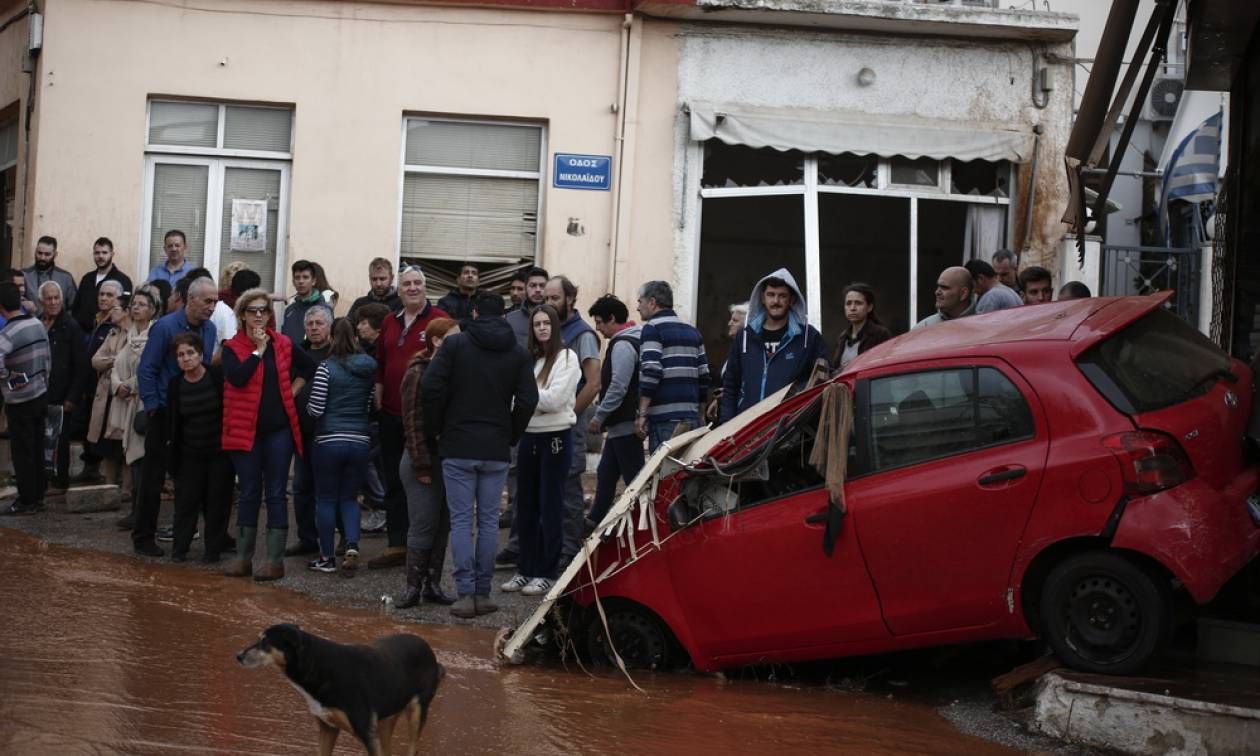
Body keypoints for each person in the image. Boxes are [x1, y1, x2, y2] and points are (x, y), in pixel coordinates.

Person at [422, 292, 537, 618]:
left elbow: (430, 387)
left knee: (461, 522)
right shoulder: (517, 352)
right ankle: (483, 593)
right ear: (503, 315)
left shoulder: (456, 346)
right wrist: (511, 433)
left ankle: (464, 594)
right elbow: (528, 400)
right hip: (496, 448)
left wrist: (437, 427)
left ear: (473, 313)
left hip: (457, 445)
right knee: (488, 522)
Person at [220, 287, 312, 580]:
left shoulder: (283, 343)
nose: (259, 315)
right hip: (245, 431)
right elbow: (237, 376)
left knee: (275, 492)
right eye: (253, 311)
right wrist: (258, 351)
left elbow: (310, 366)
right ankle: (244, 559)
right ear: (243, 315)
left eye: (264, 310)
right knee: (248, 492)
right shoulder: (232, 347)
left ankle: (274, 561)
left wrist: (293, 390)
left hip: (277, 431)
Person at [135, 275, 218, 557]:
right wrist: (153, 406)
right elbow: (147, 368)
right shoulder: (165, 327)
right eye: (208, 301)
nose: (212, 307)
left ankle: (207, 537)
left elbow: (204, 367)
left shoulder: (210, 329)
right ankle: (143, 536)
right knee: (153, 477)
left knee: (196, 477)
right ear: (191, 299)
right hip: (164, 411)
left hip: (194, 414)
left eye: (215, 302)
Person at [371, 266, 449, 569]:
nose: (412, 288)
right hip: (390, 413)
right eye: (407, 284)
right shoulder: (390, 321)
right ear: (399, 290)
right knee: (392, 479)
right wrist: (378, 392)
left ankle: (424, 547)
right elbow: (381, 361)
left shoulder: (439, 320)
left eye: (417, 283)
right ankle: (397, 544)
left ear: (425, 287)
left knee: (424, 481)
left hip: (424, 419)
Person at [501, 304, 579, 597]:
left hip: (555, 438)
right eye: (537, 324)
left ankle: (547, 572)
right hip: (529, 437)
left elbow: (556, 400)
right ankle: (526, 569)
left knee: (550, 505)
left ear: (555, 326)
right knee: (526, 506)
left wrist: (523, 400)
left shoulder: (567, 357)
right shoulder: (531, 359)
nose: (542, 328)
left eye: (547, 323)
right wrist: (526, 400)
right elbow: (525, 398)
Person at [395, 317, 460, 608]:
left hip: (446, 459)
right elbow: (412, 422)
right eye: (453, 337)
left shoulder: (453, 371)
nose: (460, 343)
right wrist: (421, 465)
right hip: (421, 459)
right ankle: (412, 588)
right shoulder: (418, 372)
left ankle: (432, 584)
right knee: (423, 524)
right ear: (436, 341)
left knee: (442, 524)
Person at [305, 318, 376, 573]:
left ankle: (326, 558)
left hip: (329, 440)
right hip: (359, 440)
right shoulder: (368, 368)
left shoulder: (326, 368)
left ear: (333, 338)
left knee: (325, 499)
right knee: (349, 498)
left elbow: (315, 408)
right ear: (356, 338)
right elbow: (368, 406)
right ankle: (352, 545)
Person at [541, 275, 601, 566]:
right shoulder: (547, 330)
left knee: (567, 492)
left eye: (555, 298)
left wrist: (569, 415)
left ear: (570, 299)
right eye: (546, 298)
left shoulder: (582, 335)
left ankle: (570, 554)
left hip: (567, 425)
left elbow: (593, 384)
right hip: (543, 425)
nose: (549, 303)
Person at [719, 269, 826, 424]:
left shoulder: (809, 338)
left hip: (790, 432)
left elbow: (822, 384)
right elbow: (731, 385)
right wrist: (726, 426)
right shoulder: (745, 336)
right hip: (746, 429)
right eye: (771, 295)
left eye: (782, 296)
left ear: (792, 300)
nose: (776, 301)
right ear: (762, 298)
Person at [165, 332, 232, 563]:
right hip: (189, 454)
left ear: (201, 354)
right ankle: (179, 549)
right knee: (185, 504)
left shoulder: (216, 376)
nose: (186, 359)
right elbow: (174, 423)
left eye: (190, 353)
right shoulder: (176, 385)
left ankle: (212, 550)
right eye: (181, 355)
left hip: (218, 453)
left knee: (217, 502)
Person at [99, 288, 158, 529]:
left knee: (142, 460)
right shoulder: (128, 334)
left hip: (143, 404)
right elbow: (115, 365)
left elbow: (149, 369)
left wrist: (131, 386)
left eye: (142, 304)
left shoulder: (155, 335)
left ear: (153, 310)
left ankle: (141, 514)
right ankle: (136, 511)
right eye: (134, 304)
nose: (136, 308)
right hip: (125, 401)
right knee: (132, 460)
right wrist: (118, 385)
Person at [586, 295, 643, 530]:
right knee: (606, 473)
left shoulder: (623, 345)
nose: (598, 328)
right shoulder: (631, 340)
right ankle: (594, 521)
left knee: (633, 481)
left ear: (612, 319)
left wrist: (599, 416)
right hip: (621, 424)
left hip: (624, 423)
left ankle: (642, 525)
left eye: (600, 322)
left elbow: (618, 386)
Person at [635, 281, 709, 451]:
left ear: (652, 302)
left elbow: (652, 371)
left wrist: (642, 414)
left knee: (665, 474)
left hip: (665, 420)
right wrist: (700, 414)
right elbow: (704, 375)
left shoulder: (652, 329)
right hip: (691, 418)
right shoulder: (692, 331)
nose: (638, 307)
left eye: (640, 301)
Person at [0, 281, 51, 515]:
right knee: (37, 447)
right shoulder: (37, 324)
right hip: (40, 393)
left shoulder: (8, 333)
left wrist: (10, 381)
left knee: (22, 452)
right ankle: (38, 495)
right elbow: (47, 358)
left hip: (20, 400)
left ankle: (27, 500)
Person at [288, 304, 334, 558]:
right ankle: (307, 538)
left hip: (328, 433)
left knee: (326, 490)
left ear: (329, 326)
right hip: (301, 432)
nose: (314, 328)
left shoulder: (338, 353)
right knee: (301, 487)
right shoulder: (298, 353)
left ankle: (330, 542)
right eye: (310, 324)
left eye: (319, 323)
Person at [39, 281, 87, 494]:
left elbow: (81, 366)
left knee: (60, 440)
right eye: (48, 298)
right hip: (40, 393)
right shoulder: (38, 323)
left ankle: (59, 482)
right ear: (42, 301)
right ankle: (42, 478)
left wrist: (72, 397)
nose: (53, 302)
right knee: (41, 438)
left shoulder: (71, 326)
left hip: (62, 395)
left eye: (56, 297)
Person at [80, 281, 128, 486]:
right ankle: (107, 484)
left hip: (122, 393)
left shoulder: (131, 333)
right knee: (105, 443)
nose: (104, 299)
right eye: (101, 294)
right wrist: (114, 360)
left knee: (122, 444)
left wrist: (111, 361)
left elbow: (126, 360)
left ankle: (126, 488)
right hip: (100, 391)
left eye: (110, 296)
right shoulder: (108, 329)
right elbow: (95, 360)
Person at [72, 237, 133, 332]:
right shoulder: (87, 278)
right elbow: (76, 307)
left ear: (112, 254)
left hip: (108, 333)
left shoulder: (123, 280)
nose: (100, 256)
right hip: (82, 333)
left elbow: (124, 310)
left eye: (104, 253)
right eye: (97, 253)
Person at [833, 283, 893, 371]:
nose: (852, 308)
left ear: (869, 307)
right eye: (848, 303)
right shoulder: (843, 337)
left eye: (858, 303)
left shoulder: (880, 334)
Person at [705, 302, 748, 422]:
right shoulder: (734, 349)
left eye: (735, 321)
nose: (730, 323)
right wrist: (717, 401)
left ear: (746, 324)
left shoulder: (749, 352)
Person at [23, 236, 78, 314]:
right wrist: (23, 303)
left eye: (47, 254)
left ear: (55, 255)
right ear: (35, 251)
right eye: (39, 253)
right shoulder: (25, 275)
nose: (42, 257)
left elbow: (74, 307)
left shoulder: (66, 278)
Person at [281, 260, 324, 344]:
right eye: (297, 278)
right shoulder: (289, 310)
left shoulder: (323, 309)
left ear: (313, 281)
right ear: (293, 282)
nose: (301, 281)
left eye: (305, 277)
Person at [348, 257, 401, 323]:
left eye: (382, 279)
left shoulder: (401, 304)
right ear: (369, 279)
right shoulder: (359, 304)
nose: (378, 284)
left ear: (392, 278)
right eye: (374, 279)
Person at [506, 266, 549, 347]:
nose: (538, 290)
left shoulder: (555, 318)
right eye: (533, 285)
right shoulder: (510, 319)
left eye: (542, 286)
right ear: (526, 288)